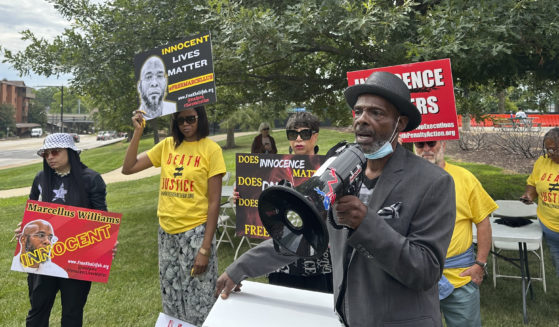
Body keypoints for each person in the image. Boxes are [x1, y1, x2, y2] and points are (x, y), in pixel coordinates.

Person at [216, 71, 456, 326]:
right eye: (359, 112)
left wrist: (365, 224)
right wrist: (239, 268)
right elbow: (301, 235)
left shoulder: (432, 182)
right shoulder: (338, 172)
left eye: (376, 113)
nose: (362, 120)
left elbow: (425, 270)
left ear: (401, 123)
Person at [122, 106, 226, 326]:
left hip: (195, 232)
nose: (186, 124)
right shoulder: (167, 146)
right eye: (180, 121)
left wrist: (205, 249)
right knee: (171, 297)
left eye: (191, 119)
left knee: (199, 299)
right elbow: (128, 168)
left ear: (201, 118)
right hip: (166, 232)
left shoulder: (211, 149)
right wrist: (138, 132)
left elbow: (214, 202)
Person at [218, 111, 334, 294]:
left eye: (304, 134)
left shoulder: (329, 170)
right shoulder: (274, 169)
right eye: (292, 134)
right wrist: (242, 199)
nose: (298, 139)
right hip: (281, 264)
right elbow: (264, 210)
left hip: (318, 265)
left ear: (315, 136)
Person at [16, 133, 107, 326]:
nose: (50, 157)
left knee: (72, 313)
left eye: (55, 152)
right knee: (37, 310)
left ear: (70, 152)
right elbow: (32, 212)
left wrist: (105, 244)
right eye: (46, 154)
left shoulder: (91, 179)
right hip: (41, 258)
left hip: (76, 257)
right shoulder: (41, 178)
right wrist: (24, 228)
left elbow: (101, 218)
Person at [414, 140, 496, 327]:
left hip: (460, 277)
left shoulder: (464, 178)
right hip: (418, 279)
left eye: (431, 143)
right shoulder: (405, 179)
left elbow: (483, 223)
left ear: (443, 144)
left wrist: (480, 264)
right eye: (420, 144)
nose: (426, 149)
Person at [520, 127, 559, 278]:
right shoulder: (542, 162)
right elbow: (533, 183)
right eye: (548, 149)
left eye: (554, 150)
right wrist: (529, 195)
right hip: (550, 227)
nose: (550, 154)